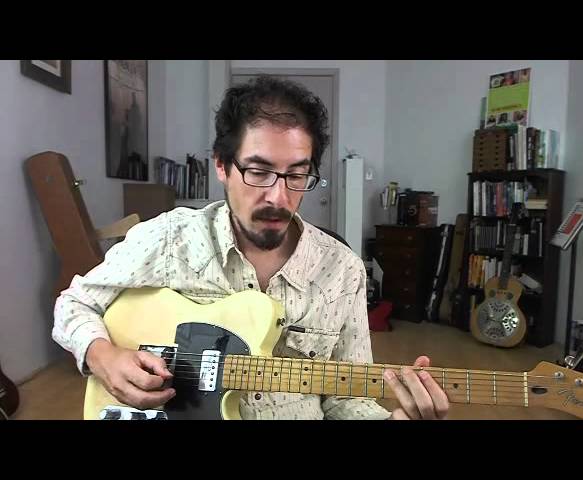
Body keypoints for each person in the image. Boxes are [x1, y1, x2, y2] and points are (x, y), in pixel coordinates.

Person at [53, 75, 449, 420]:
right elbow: (74, 303)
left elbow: (347, 400)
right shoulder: (171, 238)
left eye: (297, 175)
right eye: (258, 172)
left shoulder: (342, 269)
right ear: (221, 166)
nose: (278, 197)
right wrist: (103, 357)